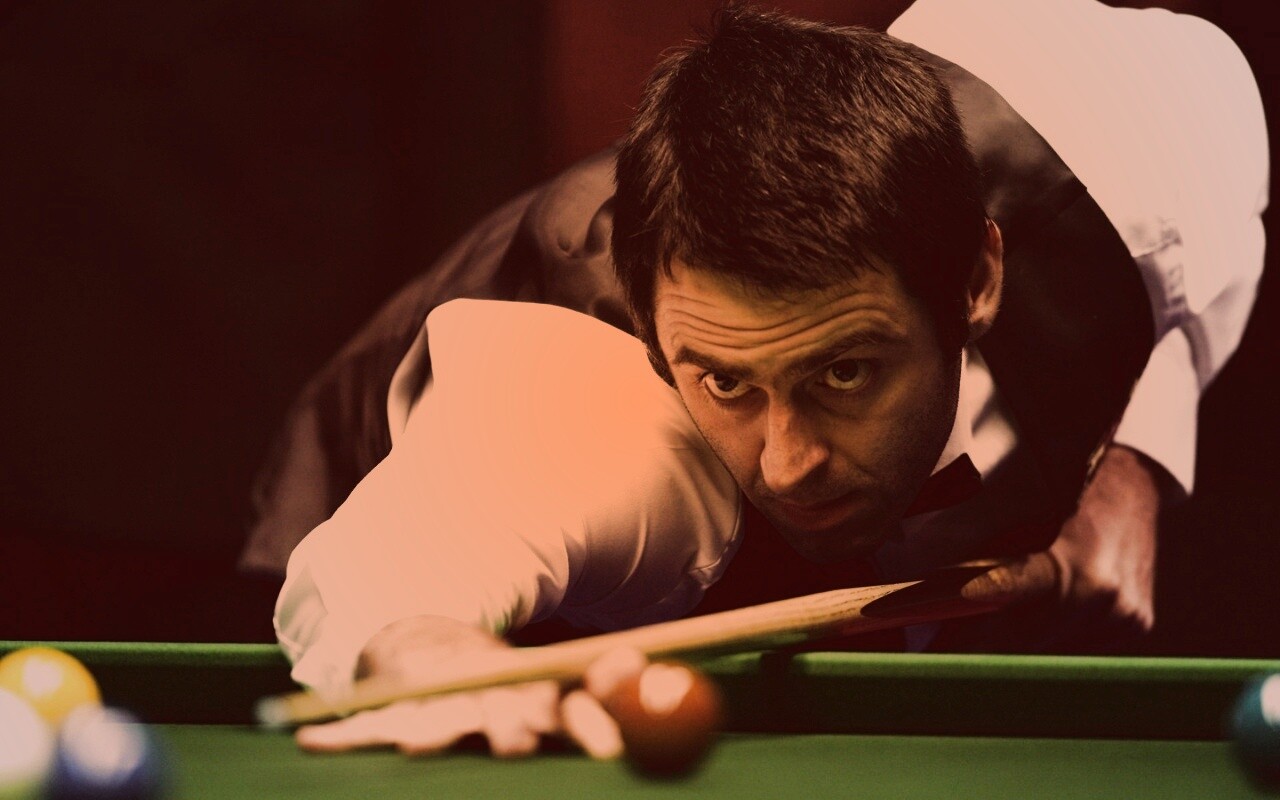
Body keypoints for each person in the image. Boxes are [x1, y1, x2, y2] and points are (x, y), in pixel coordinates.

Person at [249, 1, 1267, 758]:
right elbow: (423, 546)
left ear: (975, 280)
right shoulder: (608, 423)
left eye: (844, 371)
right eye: (728, 383)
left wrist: (1130, 464)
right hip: (358, 478)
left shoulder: (1114, 140)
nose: (788, 464)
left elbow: (1215, 145)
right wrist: (423, 646)